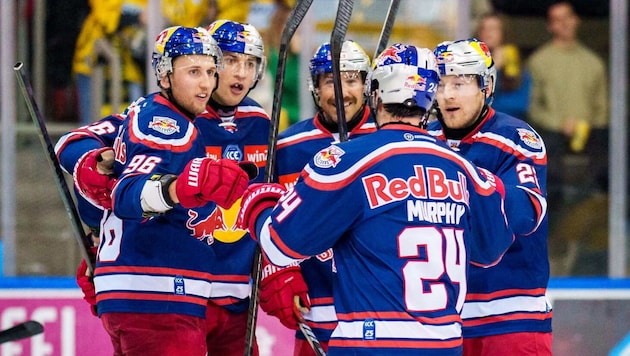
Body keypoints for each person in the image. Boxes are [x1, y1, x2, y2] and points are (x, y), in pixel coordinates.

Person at [237, 43, 516, 355]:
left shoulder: (346, 160)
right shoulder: (466, 170)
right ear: (429, 99)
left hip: (369, 341)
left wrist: (258, 201)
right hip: (445, 342)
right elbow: (490, 250)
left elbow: (279, 242)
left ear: (376, 93)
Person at [58, 20, 271, 356]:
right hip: (168, 282)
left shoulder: (259, 123)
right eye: (228, 60)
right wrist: (94, 170)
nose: (239, 74)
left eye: (249, 63)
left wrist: (277, 270)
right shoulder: (162, 115)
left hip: (226, 292)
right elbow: (75, 145)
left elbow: (274, 202)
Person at [430, 38, 552, 355]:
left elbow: (523, 215)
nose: (448, 94)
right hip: (439, 323)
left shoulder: (517, 139)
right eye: (440, 84)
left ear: (486, 87)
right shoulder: (421, 141)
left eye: (459, 82)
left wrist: (466, 176)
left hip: (512, 318)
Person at [266, 39, 375, 355]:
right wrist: (279, 272)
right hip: (316, 308)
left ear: (366, 85)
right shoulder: (287, 147)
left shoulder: (389, 139)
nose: (342, 92)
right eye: (331, 81)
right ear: (315, 88)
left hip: (382, 311)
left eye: (351, 79)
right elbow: (270, 217)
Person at [527, 1, 608, 246]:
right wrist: (560, 124)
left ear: (576, 20)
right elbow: (533, 108)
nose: (563, 24)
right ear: (551, 26)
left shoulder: (593, 63)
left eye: (567, 18)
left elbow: (603, 109)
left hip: (590, 141)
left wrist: (585, 124)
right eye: (557, 19)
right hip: (552, 141)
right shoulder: (539, 61)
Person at [476, 12, 531, 119]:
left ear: (503, 32)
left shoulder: (515, 62)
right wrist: (494, 68)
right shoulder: (471, 64)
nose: (487, 33)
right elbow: (473, 102)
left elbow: (521, 104)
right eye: (484, 28)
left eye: (493, 28)